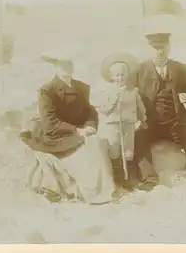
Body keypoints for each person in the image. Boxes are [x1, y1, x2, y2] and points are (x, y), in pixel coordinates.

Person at [20, 51, 115, 205]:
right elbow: (49, 121)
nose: (66, 68)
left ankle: (105, 190)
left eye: (69, 64)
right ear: (56, 67)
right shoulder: (48, 90)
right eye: (62, 65)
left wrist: (90, 126)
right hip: (55, 134)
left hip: (78, 131)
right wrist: (77, 131)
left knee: (96, 144)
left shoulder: (82, 87)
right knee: (86, 154)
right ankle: (91, 193)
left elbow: (90, 111)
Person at [133, 33, 186, 192]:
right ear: (149, 49)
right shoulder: (139, 71)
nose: (159, 52)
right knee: (137, 136)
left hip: (176, 121)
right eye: (155, 48)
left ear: (169, 48)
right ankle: (149, 178)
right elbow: (130, 96)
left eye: (163, 48)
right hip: (150, 122)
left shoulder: (182, 69)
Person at [96, 53, 148, 197]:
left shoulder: (133, 91)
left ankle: (129, 179)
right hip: (112, 125)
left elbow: (140, 107)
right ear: (111, 77)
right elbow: (104, 109)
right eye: (117, 75)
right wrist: (113, 99)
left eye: (123, 75)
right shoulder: (106, 91)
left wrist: (143, 119)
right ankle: (117, 180)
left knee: (129, 151)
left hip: (128, 124)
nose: (120, 78)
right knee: (115, 151)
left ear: (127, 75)